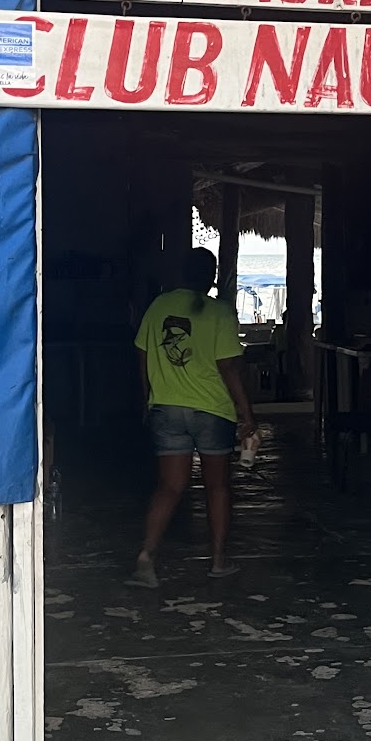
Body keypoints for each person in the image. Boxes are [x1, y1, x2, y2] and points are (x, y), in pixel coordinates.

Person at [130, 247, 256, 586]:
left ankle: (147, 555)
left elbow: (142, 355)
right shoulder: (219, 313)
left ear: (182, 274)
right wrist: (247, 414)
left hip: (166, 408)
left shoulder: (159, 306)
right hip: (212, 411)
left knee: (170, 486)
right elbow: (228, 367)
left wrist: (148, 398)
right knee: (217, 487)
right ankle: (218, 561)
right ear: (212, 278)